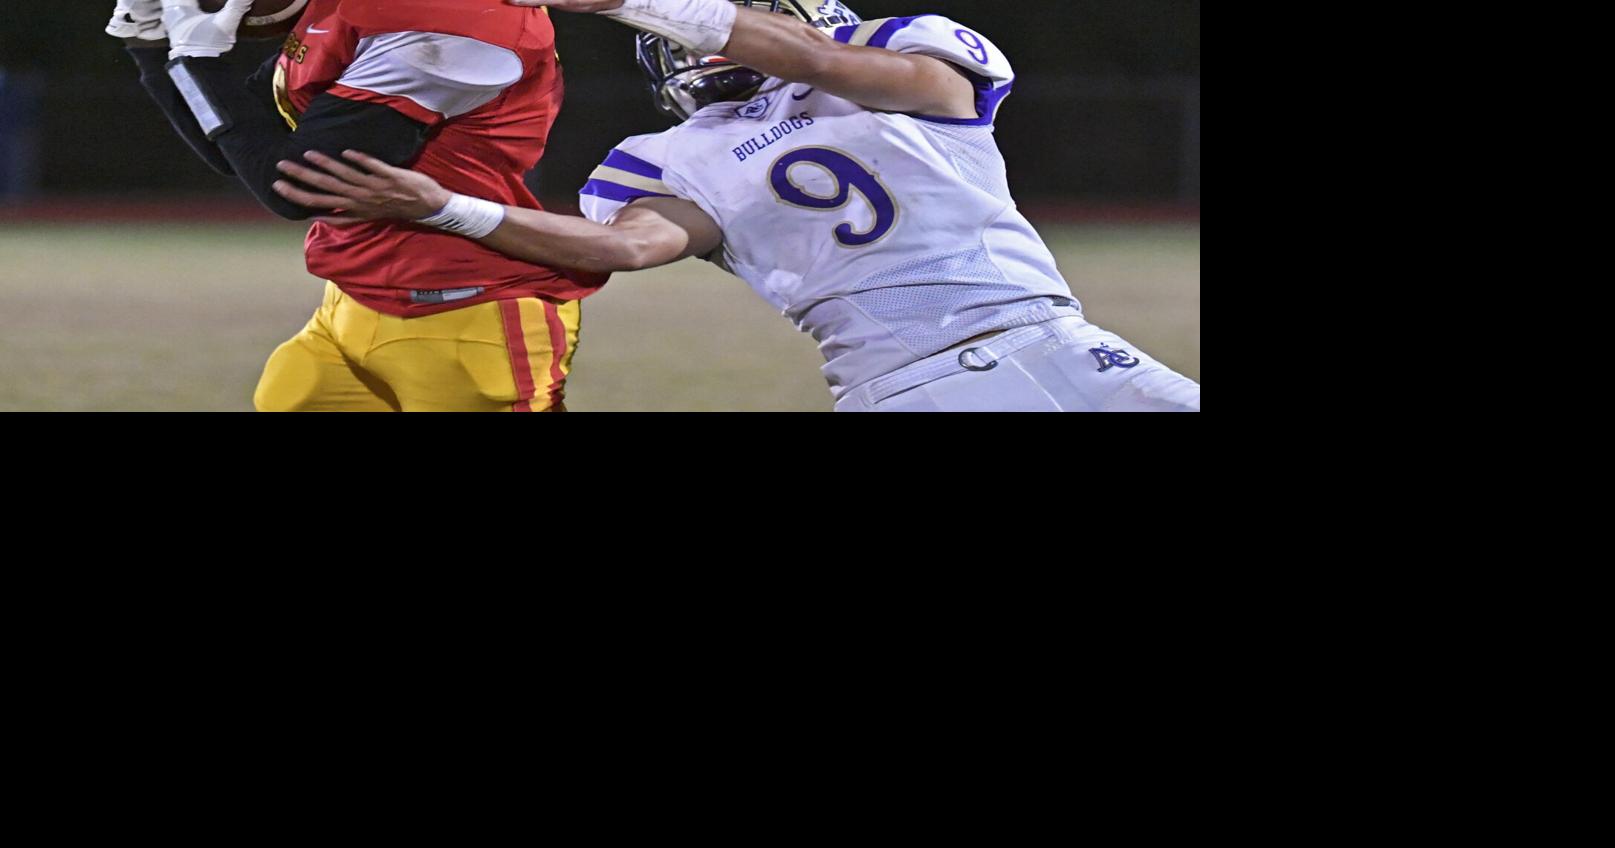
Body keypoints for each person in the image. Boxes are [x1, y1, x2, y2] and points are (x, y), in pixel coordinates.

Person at [271, 0, 1201, 412]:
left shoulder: (895, 70)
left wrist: (648, 0)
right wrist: (445, 208)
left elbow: (828, 63)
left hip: (1039, 347)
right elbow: (622, 250)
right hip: (929, 374)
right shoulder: (667, 157)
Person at [106, 0, 604, 411]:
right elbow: (239, 143)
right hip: (350, 300)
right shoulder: (349, 8)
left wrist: (194, 63)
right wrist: (153, 49)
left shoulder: (457, 23)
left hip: (467, 308)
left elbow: (295, 187)